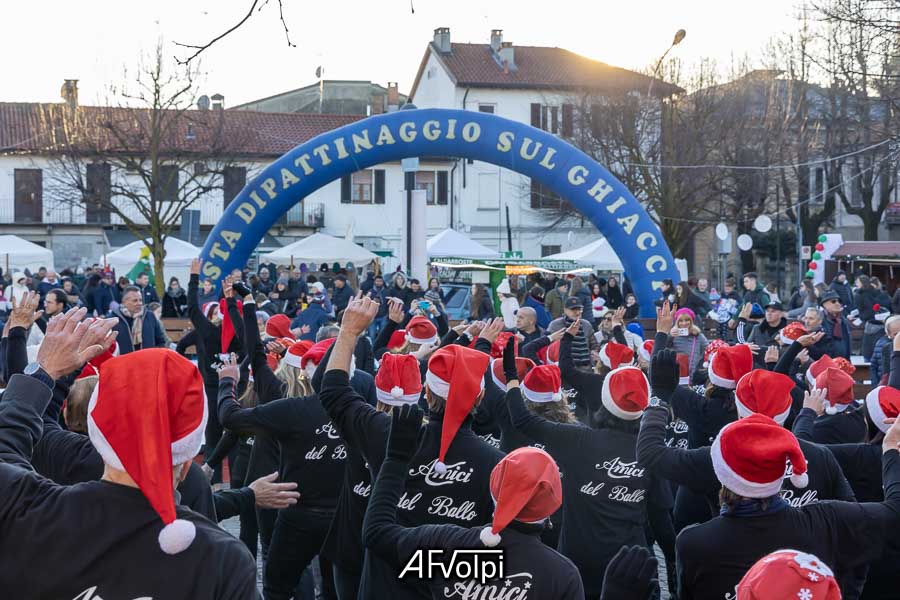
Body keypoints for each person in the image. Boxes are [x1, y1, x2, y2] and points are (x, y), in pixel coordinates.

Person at [0, 311, 257, 598]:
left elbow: (9, 440)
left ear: (98, 436)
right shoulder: (223, 561)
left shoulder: (26, 506)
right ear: (186, 460)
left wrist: (47, 370)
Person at [320, 298, 504, 599]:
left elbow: (334, 392)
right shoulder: (497, 464)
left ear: (427, 390)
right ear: (480, 398)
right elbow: (494, 557)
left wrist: (349, 332)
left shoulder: (388, 433)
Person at [506, 341, 675, 598]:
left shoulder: (580, 440)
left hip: (578, 559)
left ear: (605, 402)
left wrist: (511, 380)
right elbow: (661, 517)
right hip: (629, 562)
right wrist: (674, 562)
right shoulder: (651, 451)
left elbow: (524, 419)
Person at [674, 409, 900, 600]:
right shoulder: (826, 520)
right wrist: (890, 448)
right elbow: (895, 512)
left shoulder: (693, 543)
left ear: (722, 474)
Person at [363, 410, 585, 599]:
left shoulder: (446, 547)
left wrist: (396, 458)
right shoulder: (561, 576)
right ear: (551, 507)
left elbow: (376, 535)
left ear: (494, 488)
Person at [111, 286, 167, 354]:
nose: (139, 303)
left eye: (140, 300)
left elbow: (161, 341)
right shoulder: (113, 319)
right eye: (135, 300)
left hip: (147, 360)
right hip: (124, 362)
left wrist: (155, 355)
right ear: (124, 302)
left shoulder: (150, 316)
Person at [547, 296, 597, 368]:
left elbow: (594, 344)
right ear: (565, 310)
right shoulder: (555, 325)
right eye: (573, 309)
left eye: (579, 309)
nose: (577, 312)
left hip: (585, 367)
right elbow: (548, 345)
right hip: (564, 367)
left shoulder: (586, 325)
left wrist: (594, 353)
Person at [667, 307, 709, 374]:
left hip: (694, 371)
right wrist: (670, 337)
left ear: (691, 321)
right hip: (676, 372)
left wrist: (700, 363)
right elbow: (664, 349)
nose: (684, 323)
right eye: (680, 321)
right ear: (677, 322)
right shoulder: (673, 335)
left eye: (687, 320)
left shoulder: (698, 335)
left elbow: (707, 348)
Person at [819, 290, 852, 358]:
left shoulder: (843, 321)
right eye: (833, 301)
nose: (838, 303)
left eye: (839, 301)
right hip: (826, 362)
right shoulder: (820, 320)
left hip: (842, 362)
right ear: (824, 304)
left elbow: (847, 344)